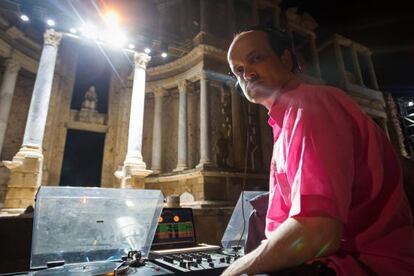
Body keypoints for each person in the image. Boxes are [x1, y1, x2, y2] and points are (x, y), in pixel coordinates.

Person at [222, 25, 414, 275]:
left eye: (256, 58)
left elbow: (317, 229)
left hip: (363, 264)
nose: (246, 73)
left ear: (286, 58)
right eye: (238, 70)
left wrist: (235, 269)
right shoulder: (290, 117)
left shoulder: (310, 105)